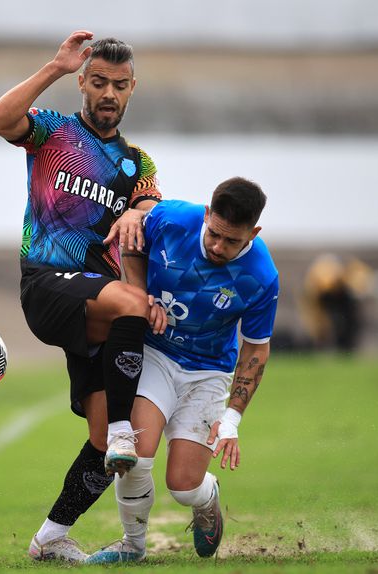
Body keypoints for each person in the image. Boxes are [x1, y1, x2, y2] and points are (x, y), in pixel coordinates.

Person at [0, 30, 166, 562]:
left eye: (120, 85)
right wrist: (54, 68)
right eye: (99, 82)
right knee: (134, 305)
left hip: (96, 303)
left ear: (132, 89)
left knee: (105, 444)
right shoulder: (52, 131)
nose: (109, 93)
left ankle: (49, 538)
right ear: (83, 82)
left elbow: (151, 206)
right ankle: (125, 428)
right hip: (46, 283)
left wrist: (138, 212)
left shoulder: (137, 162)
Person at [86, 177, 280, 563]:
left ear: (254, 233)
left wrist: (232, 419)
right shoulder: (174, 219)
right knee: (135, 455)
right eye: (215, 234)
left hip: (209, 372)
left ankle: (206, 497)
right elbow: (133, 238)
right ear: (206, 214)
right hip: (156, 354)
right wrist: (142, 295)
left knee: (183, 486)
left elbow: (256, 348)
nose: (218, 247)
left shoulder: (262, 277)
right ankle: (132, 545)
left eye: (232, 241)